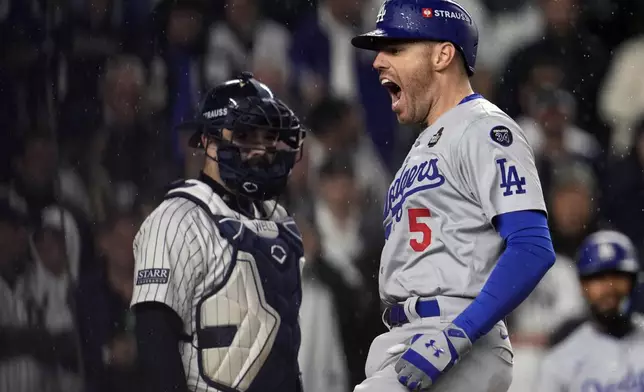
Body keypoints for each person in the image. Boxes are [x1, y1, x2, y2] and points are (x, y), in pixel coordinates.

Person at [350, 1, 556, 391]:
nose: (378, 61)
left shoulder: (484, 128)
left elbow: (532, 246)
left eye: (395, 48)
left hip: (455, 335)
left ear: (444, 54)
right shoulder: (420, 146)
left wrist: (457, 336)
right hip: (406, 337)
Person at [129, 72, 307, 392]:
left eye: (268, 136)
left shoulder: (279, 220)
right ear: (209, 140)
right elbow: (155, 345)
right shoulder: (177, 218)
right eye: (246, 134)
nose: (262, 148)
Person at [536, 230, 644, 391]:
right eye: (598, 278)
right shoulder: (561, 360)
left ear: (634, 281)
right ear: (582, 287)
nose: (609, 288)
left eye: (618, 276)